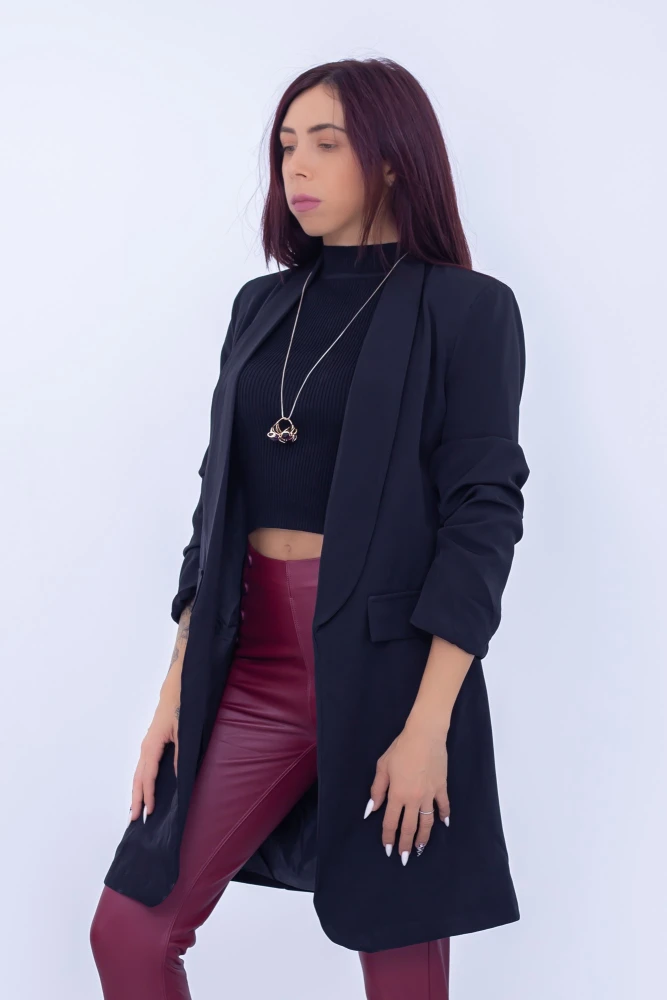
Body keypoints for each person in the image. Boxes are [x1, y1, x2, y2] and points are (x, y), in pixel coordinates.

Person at [90, 56, 530, 1000]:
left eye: (326, 144)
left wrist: (428, 729)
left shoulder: (467, 309)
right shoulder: (261, 306)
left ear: (392, 159)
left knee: (399, 965)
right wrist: (174, 692)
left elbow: (482, 520)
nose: (296, 166)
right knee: (129, 929)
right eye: (287, 144)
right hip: (250, 665)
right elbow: (216, 503)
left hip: (391, 672)